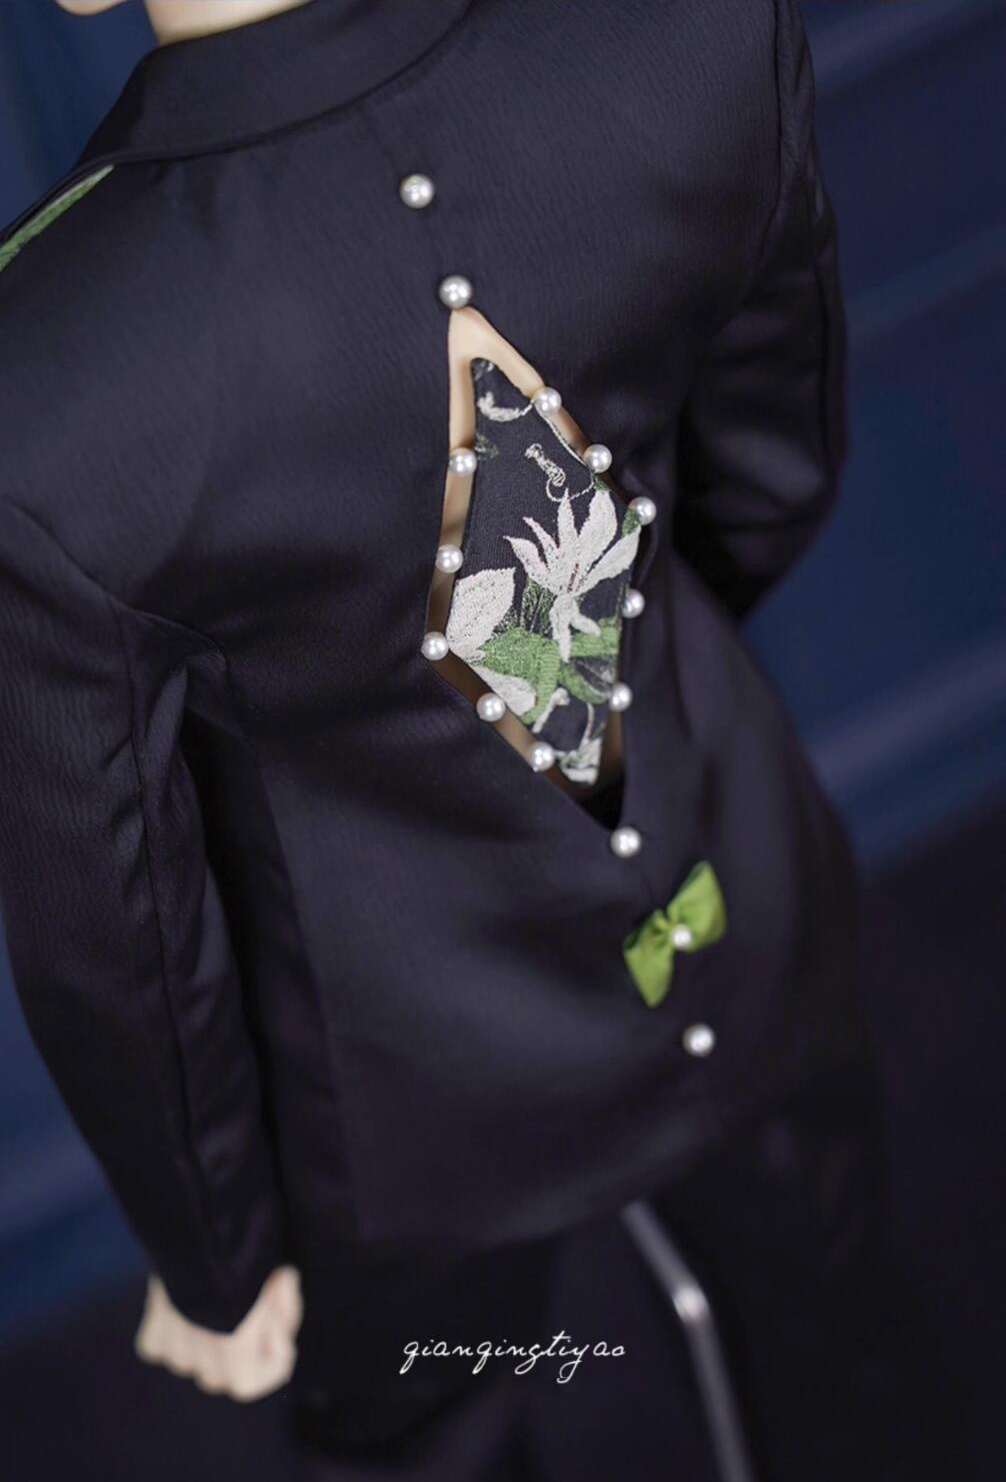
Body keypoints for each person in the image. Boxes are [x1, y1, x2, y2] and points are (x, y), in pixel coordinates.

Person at [0, 1, 947, 1477]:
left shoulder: (45, 367)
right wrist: (609, 674)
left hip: (393, 1100)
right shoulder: (686, 35)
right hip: (737, 892)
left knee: (434, 1421)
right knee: (842, 1346)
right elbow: (771, 471)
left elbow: (117, 934)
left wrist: (219, 1258)